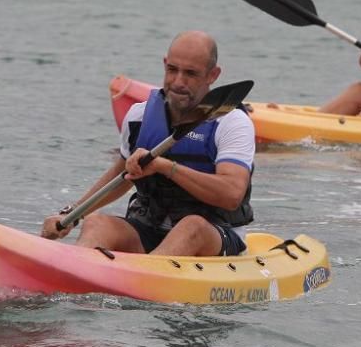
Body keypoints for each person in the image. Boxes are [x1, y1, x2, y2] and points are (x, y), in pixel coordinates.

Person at [40, 31, 255, 257]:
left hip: (213, 235)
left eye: (191, 73)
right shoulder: (139, 116)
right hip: (149, 227)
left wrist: (166, 167)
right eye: (172, 70)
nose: (179, 82)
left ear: (213, 75)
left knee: (192, 227)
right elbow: (121, 176)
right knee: (96, 223)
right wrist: (71, 214)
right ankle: (72, 273)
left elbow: (231, 196)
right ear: (164, 64)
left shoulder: (232, 122)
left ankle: (142, 282)